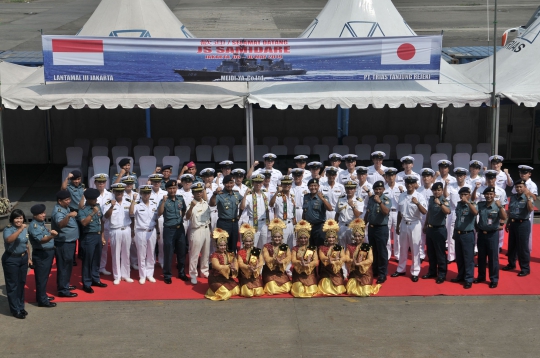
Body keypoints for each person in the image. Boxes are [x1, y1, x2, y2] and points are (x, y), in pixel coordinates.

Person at [392, 176, 427, 282]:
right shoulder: (402, 195)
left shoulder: (419, 196)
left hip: (415, 224)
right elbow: (399, 212)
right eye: (407, 183)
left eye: (411, 183)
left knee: (415, 249)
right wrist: (397, 225)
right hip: (403, 224)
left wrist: (417, 203)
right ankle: (401, 268)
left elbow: (424, 211)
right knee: (403, 248)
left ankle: (415, 271)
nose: (409, 185)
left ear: (415, 184)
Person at [474, 187, 507, 288]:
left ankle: (494, 279)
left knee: (493, 258)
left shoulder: (497, 205)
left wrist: (500, 207)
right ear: (484, 195)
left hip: (492, 234)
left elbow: (504, 217)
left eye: (491, 194)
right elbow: (474, 214)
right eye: (487, 194)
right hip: (482, 234)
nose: (489, 196)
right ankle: (481, 276)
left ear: (494, 195)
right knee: (481, 257)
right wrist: (477, 227)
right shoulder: (480, 205)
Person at [77, 188, 107, 293]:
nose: (95, 200)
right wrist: (92, 213)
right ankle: (86, 283)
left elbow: (101, 221)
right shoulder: (83, 209)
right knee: (87, 261)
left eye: (96, 199)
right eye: (93, 199)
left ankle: (95, 279)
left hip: (97, 236)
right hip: (88, 237)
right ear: (88, 199)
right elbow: (84, 223)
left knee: (96, 259)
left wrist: (102, 236)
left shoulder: (97, 206)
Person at [158, 180, 188, 284]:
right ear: (167, 189)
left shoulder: (180, 198)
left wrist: (181, 218)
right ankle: (167, 274)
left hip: (180, 228)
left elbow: (184, 210)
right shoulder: (164, 200)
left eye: (174, 188)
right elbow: (159, 213)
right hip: (169, 229)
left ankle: (182, 272)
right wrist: (164, 201)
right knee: (168, 252)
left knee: (181, 251)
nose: (172, 190)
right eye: (170, 188)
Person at [28, 204, 58, 308]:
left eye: (44, 213)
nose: (44, 215)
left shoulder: (41, 223)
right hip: (41, 254)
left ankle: (42, 296)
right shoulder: (34, 226)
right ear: (35, 215)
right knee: (41, 278)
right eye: (41, 213)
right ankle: (42, 301)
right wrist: (52, 236)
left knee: (44, 277)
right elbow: (41, 240)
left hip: (47, 253)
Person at [503, 179, 534, 277]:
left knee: (522, 247)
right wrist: (507, 223)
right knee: (512, 246)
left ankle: (525, 268)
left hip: (523, 224)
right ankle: (511, 264)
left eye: (521, 187)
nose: (519, 188)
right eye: (517, 187)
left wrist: (528, 198)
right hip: (513, 223)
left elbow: (530, 209)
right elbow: (510, 211)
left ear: (524, 187)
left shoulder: (528, 197)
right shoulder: (513, 197)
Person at [51, 190, 79, 297]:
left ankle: (65, 284)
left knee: (68, 265)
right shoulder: (58, 211)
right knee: (64, 266)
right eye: (66, 200)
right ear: (59, 201)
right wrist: (68, 216)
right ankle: (63, 290)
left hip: (69, 242)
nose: (68, 201)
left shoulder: (65, 208)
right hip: (63, 243)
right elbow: (60, 224)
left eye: (69, 199)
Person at [421, 182, 451, 284]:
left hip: (440, 230)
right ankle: (432, 271)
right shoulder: (431, 199)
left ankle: (442, 274)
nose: (436, 192)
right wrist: (425, 224)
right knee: (431, 253)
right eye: (435, 190)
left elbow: (447, 211)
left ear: (442, 191)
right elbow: (429, 212)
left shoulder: (444, 200)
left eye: (438, 190)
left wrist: (440, 204)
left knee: (440, 253)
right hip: (430, 229)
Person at [104, 183, 133, 285]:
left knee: (126, 253)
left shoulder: (128, 202)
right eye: (117, 191)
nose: (119, 193)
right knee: (115, 254)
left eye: (121, 191)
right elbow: (105, 217)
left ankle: (126, 275)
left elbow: (132, 216)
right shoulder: (108, 203)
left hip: (126, 229)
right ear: (114, 192)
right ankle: (117, 276)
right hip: (115, 230)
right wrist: (112, 206)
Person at [3, 209, 30, 318]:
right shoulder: (8, 229)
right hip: (11, 259)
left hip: (23, 258)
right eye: (16, 218)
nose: (19, 220)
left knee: (21, 283)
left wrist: (29, 258)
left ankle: (20, 306)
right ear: (12, 219)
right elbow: (9, 240)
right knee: (13, 285)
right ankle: (15, 310)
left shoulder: (24, 229)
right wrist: (19, 229)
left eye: (20, 218)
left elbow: (26, 244)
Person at [472, 170, 508, 251]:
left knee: (496, 234)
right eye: (488, 178)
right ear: (486, 179)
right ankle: (477, 248)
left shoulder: (501, 190)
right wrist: (475, 189)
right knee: (479, 233)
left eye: (492, 178)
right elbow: (473, 199)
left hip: (495, 215)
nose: (490, 180)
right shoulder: (480, 189)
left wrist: (502, 222)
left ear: (495, 179)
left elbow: (503, 205)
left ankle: (498, 246)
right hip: (482, 214)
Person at [129, 185, 158, 284]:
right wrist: (133, 200)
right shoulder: (137, 204)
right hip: (141, 231)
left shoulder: (154, 204)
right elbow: (131, 213)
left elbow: (156, 219)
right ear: (141, 194)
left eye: (148, 193)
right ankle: (142, 275)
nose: (146, 195)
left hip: (152, 231)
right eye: (144, 193)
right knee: (141, 255)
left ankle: (150, 274)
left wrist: (157, 232)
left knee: (151, 254)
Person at [364, 181, 392, 284]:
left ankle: (383, 273)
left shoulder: (386, 199)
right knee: (373, 251)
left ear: (383, 190)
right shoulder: (371, 199)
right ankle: (374, 270)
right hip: (371, 228)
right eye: (376, 189)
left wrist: (380, 202)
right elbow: (368, 212)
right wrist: (363, 225)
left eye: (380, 189)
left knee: (382, 252)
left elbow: (386, 212)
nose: (378, 191)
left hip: (381, 228)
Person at [345, 218, 380, 296]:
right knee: (350, 290)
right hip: (355, 272)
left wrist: (360, 263)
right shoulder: (350, 246)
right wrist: (351, 261)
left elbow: (370, 260)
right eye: (356, 236)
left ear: (363, 236)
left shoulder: (367, 247)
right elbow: (346, 257)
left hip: (365, 273)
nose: (357, 238)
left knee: (365, 292)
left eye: (359, 236)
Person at [451, 187, 478, 289]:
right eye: (461, 195)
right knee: (460, 257)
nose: (463, 196)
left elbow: (475, 213)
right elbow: (458, 219)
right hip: (458, 233)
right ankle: (461, 275)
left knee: (468, 258)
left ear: (469, 195)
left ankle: (468, 279)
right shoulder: (458, 204)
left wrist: (468, 202)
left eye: (465, 194)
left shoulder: (472, 204)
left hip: (467, 234)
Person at [444, 167, 472, 264]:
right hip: (453, 211)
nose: (459, 177)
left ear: (465, 176)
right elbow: (446, 195)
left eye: (461, 175)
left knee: (467, 233)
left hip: (466, 211)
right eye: (457, 175)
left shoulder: (469, 186)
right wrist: (445, 185)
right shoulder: (451, 185)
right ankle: (451, 256)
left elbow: (473, 197)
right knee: (451, 234)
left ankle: (465, 254)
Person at [186, 182, 211, 285]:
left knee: (206, 253)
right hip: (196, 230)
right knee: (194, 254)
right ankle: (193, 274)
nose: (199, 193)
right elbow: (187, 217)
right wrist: (191, 207)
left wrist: (209, 230)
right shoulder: (190, 203)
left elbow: (208, 218)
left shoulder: (205, 203)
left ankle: (204, 271)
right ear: (193, 192)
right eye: (196, 192)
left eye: (200, 191)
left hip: (205, 229)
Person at [209, 175, 243, 253]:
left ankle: (232, 263)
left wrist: (239, 215)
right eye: (227, 183)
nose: (229, 185)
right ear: (224, 184)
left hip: (234, 223)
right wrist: (214, 194)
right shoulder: (220, 194)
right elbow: (212, 204)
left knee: (233, 245)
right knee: (222, 245)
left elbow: (244, 203)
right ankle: (222, 264)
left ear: (234, 183)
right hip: (223, 223)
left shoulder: (236, 194)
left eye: (231, 183)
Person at [205, 228, 240, 301]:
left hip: (225, 277)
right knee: (225, 295)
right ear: (217, 245)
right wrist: (229, 266)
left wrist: (234, 269)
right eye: (221, 245)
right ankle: (212, 290)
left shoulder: (229, 254)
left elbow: (234, 263)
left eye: (224, 245)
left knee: (237, 290)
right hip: (215, 278)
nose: (223, 247)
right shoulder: (214, 255)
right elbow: (217, 267)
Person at [262, 219, 292, 295]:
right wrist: (274, 260)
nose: (277, 239)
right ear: (272, 237)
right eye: (275, 237)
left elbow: (289, 257)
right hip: (269, 271)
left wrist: (281, 262)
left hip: (280, 271)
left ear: (282, 237)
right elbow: (266, 258)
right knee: (271, 288)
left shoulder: (285, 246)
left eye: (279, 237)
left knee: (287, 287)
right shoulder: (267, 246)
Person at [511, 165, 537, 253]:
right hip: (517, 209)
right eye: (521, 173)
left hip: (527, 208)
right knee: (514, 235)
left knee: (526, 233)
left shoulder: (532, 185)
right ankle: (515, 250)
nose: (523, 175)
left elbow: (535, 198)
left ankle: (526, 249)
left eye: (525, 173)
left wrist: (528, 192)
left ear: (529, 174)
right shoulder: (518, 183)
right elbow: (513, 195)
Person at [290, 220, 319, 298]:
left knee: (311, 290)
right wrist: (300, 263)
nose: (303, 240)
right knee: (298, 291)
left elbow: (316, 261)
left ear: (308, 238)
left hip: (309, 273)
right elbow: (293, 260)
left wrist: (308, 263)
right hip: (298, 273)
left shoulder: (312, 248)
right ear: (298, 239)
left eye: (305, 238)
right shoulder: (295, 249)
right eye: (301, 238)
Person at [240, 174, 270, 248]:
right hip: (253, 222)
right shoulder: (249, 196)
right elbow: (242, 207)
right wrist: (245, 194)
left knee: (263, 245)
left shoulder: (266, 194)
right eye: (256, 182)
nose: (258, 184)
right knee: (253, 244)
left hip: (264, 223)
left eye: (260, 182)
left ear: (262, 183)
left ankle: (261, 259)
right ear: (253, 183)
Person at [317, 219, 346, 295]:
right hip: (326, 271)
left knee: (339, 289)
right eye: (329, 237)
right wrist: (333, 259)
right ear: (326, 238)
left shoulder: (340, 248)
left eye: (333, 237)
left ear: (335, 238)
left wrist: (335, 261)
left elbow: (343, 258)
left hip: (336, 272)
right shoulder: (322, 248)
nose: (331, 239)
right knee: (325, 287)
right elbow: (322, 258)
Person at [61, 169, 84, 263]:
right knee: (73, 235)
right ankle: (72, 257)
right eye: (74, 179)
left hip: (82, 212)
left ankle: (81, 254)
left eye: (78, 179)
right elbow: (63, 189)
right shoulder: (69, 187)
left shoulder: (82, 187)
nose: (76, 181)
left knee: (82, 235)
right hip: (73, 212)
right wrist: (67, 178)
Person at [237, 223, 265, 297]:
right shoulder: (240, 252)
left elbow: (261, 261)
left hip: (255, 274)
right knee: (247, 293)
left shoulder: (256, 251)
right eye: (246, 241)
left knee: (258, 292)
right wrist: (248, 267)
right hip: (245, 275)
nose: (248, 243)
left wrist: (256, 267)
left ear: (253, 241)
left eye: (250, 241)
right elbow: (240, 263)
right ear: (243, 241)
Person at [303, 178, 333, 247]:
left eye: (315, 185)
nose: (313, 187)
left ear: (318, 186)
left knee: (320, 246)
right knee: (310, 247)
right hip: (308, 226)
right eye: (311, 186)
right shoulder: (306, 197)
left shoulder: (323, 197)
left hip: (319, 226)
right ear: (308, 187)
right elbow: (304, 211)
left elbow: (330, 208)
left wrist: (322, 199)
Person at [270, 175, 296, 247]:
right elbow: (271, 204)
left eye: (288, 184)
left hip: (291, 224)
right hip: (282, 224)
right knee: (281, 245)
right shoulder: (278, 196)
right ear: (281, 185)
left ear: (291, 185)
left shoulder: (292, 197)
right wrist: (277, 192)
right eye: (284, 184)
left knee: (290, 245)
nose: (287, 185)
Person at [383, 167, 403, 262]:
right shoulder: (383, 188)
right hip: (387, 213)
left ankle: (398, 255)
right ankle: (387, 254)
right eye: (389, 176)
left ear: (395, 176)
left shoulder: (400, 187)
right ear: (386, 177)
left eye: (392, 175)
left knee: (397, 235)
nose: (391, 178)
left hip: (397, 213)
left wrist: (402, 192)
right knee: (386, 235)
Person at [335, 180, 363, 246]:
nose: (349, 190)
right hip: (341, 226)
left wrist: (352, 206)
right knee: (341, 246)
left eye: (351, 188)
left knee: (352, 247)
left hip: (352, 227)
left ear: (355, 189)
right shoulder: (341, 199)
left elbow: (358, 215)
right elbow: (337, 213)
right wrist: (335, 226)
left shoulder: (359, 200)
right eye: (347, 188)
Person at [417, 168, 435, 262]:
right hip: (421, 215)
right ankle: (421, 255)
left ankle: (432, 255)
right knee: (421, 236)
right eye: (424, 176)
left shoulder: (435, 189)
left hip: (433, 216)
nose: (425, 178)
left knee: (432, 237)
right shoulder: (419, 190)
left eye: (428, 176)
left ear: (432, 178)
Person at [121, 175, 138, 271]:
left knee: (134, 244)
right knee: (124, 245)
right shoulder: (119, 194)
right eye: (126, 183)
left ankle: (134, 262)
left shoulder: (137, 195)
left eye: (130, 183)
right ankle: (125, 263)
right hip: (124, 222)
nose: (128, 185)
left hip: (135, 222)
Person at [148, 173, 166, 267]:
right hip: (150, 219)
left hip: (161, 219)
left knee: (161, 242)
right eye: (154, 181)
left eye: (158, 181)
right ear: (151, 181)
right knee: (151, 243)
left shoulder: (164, 193)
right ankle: (152, 260)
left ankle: (162, 260)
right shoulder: (147, 192)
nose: (156, 183)